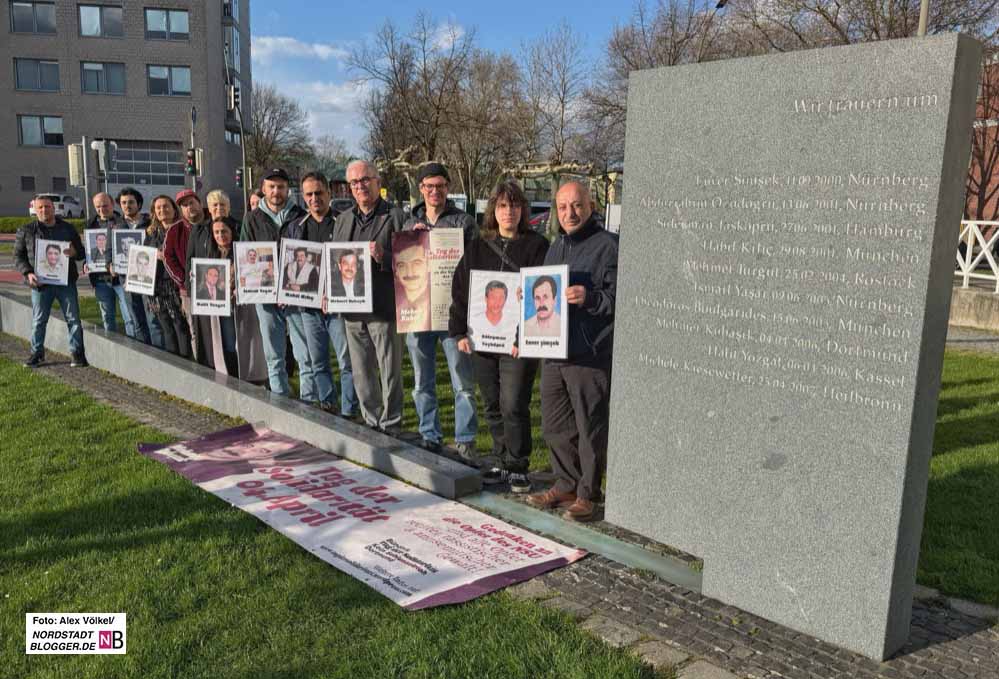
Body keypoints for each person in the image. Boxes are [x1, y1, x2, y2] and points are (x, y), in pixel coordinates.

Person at [527, 181, 618, 522]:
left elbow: (621, 298)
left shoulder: (608, 246)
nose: (570, 213)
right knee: (555, 425)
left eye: (577, 205)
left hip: (588, 353)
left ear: (591, 205)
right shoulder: (556, 246)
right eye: (563, 207)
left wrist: (591, 298)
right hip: (554, 352)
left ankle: (588, 494)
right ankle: (565, 482)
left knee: (589, 426)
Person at [450, 180, 549, 491]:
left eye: (515, 205)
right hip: (482, 341)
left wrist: (526, 333)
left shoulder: (537, 247)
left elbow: (545, 293)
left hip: (519, 343)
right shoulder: (478, 247)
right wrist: (458, 331)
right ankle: (498, 456)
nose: (509, 212)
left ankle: (518, 463)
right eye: (504, 206)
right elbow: (461, 291)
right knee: (491, 402)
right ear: (493, 209)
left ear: (523, 210)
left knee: (513, 402)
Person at [401, 162, 480, 456]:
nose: (435, 191)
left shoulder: (463, 222)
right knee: (422, 381)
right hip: (418, 313)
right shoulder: (409, 224)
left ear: (448, 187)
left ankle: (465, 439)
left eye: (441, 186)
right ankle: (429, 434)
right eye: (429, 186)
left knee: (463, 381)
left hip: (452, 314)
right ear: (421, 189)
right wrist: (414, 239)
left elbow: (475, 263)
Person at [331, 160, 405, 433]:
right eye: (354, 182)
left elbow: (411, 262)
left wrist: (383, 257)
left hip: (384, 308)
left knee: (390, 372)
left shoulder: (396, 216)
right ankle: (372, 422)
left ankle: (392, 423)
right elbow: (334, 261)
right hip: (351, 309)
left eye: (365, 180)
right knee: (361, 374)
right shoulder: (343, 220)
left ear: (378, 181)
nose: (360, 186)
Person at [284, 171, 357, 416]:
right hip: (309, 308)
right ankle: (327, 405)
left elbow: (351, 263)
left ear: (329, 193)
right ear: (303, 197)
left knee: (347, 362)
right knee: (318, 362)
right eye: (309, 194)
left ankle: (349, 410)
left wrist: (332, 293)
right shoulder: (296, 228)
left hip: (338, 307)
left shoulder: (345, 222)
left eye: (319, 193)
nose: (314, 198)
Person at [242, 168, 306, 396]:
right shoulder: (252, 218)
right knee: (273, 352)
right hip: (266, 294)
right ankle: (280, 396)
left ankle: (308, 401)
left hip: (296, 293)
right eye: (271, 186)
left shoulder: (300, 215)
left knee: (302, 352)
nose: (276, 191)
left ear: (287, 189)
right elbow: (244, 253)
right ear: (264, 188)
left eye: (280, 186)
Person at [14, 194, 88, 367]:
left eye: (47, 207)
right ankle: (36, 354)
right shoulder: (26, 230)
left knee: (73, 319)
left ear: (54, 209)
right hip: (40, 284)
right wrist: (28, 273)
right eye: (40, 207)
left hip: (66, 282)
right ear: (35, 210)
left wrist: (74, 252)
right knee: (39, 320)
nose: (44, 210)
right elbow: (18, 256)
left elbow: (82, 253)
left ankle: (77, 353)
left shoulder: (68, 229)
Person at [85, 192, 136, 339]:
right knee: (107, 317)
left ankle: (134, 348)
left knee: (129, 317)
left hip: (121, 278)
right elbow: (89, 251)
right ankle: (112, 349)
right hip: (100, 280)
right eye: (98, 206)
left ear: (113, 204)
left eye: (105, 205)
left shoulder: (122, 222)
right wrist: (86, 263)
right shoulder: (90, 224)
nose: (102, 209)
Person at [146, 195, 191, 358]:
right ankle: (174, 362)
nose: (162, 210)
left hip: (175, 285)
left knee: (180, 324)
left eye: (166, 206)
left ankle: (186, 362)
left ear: (174, 209)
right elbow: (142, 256)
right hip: (156, 288)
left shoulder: (182, 229)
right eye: (158, 208)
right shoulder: (151, 234)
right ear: (154, 212)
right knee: (166, 326)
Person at [118, 187, 161, 346]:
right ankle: (143, 355)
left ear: (138, 204)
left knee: (153, 320)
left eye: (130, 202)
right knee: (136, 319)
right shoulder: (116, 226)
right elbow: (110, 250)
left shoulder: (150, 224)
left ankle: (159, 355)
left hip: (149, 280)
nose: (127, 206)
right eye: (123, 203)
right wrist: (110, 264)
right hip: (126, 281)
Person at [392, 234, 431, 332]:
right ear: (395, 270)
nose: (410, 273)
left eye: (416, 263)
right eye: (402, 265)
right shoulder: (398, 306)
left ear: (428, 264)